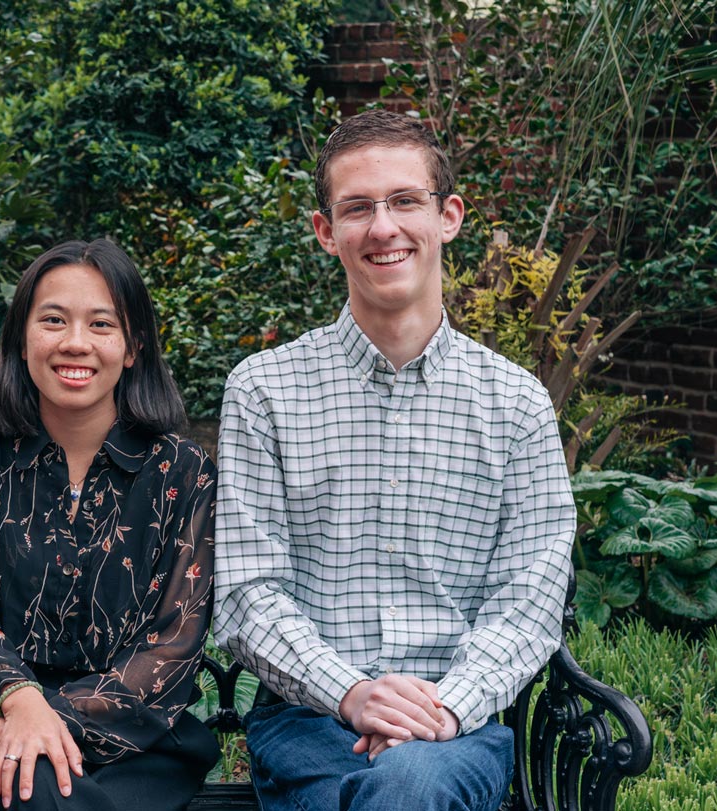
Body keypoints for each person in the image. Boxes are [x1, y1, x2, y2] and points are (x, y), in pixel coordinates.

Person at [213, 110, 576, 811]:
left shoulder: (517, 405)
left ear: (448, 216)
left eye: (404, 200)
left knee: (410, 782)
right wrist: (352, 693)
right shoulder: (264, 391)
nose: (383, 227)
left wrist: (440, 710)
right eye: (357, 207)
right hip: (309, 720)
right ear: (327, 232)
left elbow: (529, 599)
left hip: (455, 728)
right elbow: (247, 593)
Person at [0, 239, 220, 811]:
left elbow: (172, 642)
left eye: (102, 324)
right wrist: (19, 700)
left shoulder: (183, 474)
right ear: (22, 340)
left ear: (133, 348)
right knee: (34, 789)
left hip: (138, 744)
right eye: (53, 320)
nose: (75, 343)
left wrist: (44, 719)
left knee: (42, 788)